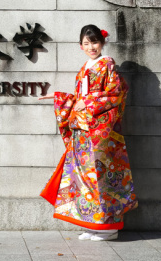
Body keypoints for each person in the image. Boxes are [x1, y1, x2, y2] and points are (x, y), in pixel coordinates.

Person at [40, 24, 137, 241]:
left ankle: (109, 227)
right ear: (80, 46)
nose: (91, 47)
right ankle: (92, 225)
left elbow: (115, 94)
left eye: (94, 42)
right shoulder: (84, 68)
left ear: (102, 43)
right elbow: (79, 99)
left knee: (101, 178)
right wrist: (57, 97)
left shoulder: (107, 64)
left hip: (101, 132)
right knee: (83, 179)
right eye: (86, 43)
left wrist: (90, 103)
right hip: (83, 131)